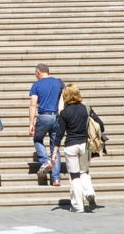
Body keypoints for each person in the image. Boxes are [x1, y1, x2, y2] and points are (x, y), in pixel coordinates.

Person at [51, 83, 98, 213]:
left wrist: (54, 153)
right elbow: (101, 125)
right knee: (84, 172)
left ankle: (78, 206)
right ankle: (89, 192)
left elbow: (59, 134)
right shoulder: (87, 109)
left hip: (71, 145)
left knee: (75, 176)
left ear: (66, 96)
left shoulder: (64, 113)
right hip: (85, 145)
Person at [29, 63, 64, 187]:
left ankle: (45, 160)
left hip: (44, 116)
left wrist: (31, 123)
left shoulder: (36, 85)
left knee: (37, 139)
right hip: (57, 116)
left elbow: (33, 104)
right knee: (55, 147)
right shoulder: (59, 82)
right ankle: (56, 179)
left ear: (38, 73)